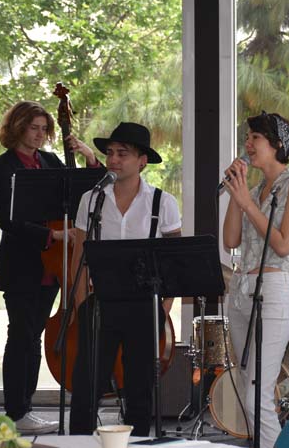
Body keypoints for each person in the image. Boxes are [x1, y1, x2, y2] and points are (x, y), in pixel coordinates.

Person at [0, 101, 98, 434]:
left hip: (54, 265)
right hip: (22, 265)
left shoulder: (49, 161)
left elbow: (85, 192)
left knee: (33, 336)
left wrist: (90, 157)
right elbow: (9, 220)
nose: (39, 134)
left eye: (43, 129)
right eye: (33, 127)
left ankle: (24, 411)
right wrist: (53, 233)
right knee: (21, 337)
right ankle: (15, 412)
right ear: (17, 127)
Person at [69, 122, 181, 436]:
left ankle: (138, 441)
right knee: (86, 385)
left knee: (139, 388)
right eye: (110, 153)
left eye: (123, 153)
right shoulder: (91, 200)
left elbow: (174, 264)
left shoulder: (163, 203)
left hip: (144, 305)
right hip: (101, 303)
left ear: (142, 160)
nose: (113, 159)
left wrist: (163, 309)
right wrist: (81, 308)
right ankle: (79, 442)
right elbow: (79, 258)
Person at [222, 111, 289, 448]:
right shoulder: (256, 189)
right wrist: (238, 195)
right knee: (250, 389)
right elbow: (230, 240)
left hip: (274, 288)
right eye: (248, 138)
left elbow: (283, 243)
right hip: (242, 288)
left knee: (256, 395)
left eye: (255, 138)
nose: (248, 144)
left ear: (276, 145)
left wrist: (248, 203)